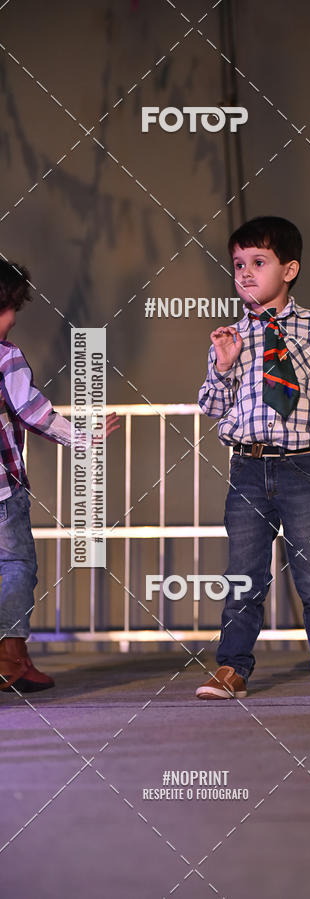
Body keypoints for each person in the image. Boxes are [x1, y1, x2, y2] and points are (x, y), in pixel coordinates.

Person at [195, 216, 310, 700]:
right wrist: (222, 366)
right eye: (238, 264)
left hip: (303, 466)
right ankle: (232, 668)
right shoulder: (230, 336)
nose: (245, 273)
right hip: (248, 469)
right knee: (244, 577)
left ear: (289, 270)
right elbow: (211, 406)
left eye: (258, 262)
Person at [0, 260, 119, 693]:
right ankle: (8, 659)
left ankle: (16, 660)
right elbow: (31, 411)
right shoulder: (5, 355)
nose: (13, 319)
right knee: (16, 567)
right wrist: (83, 438)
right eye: (10, 309)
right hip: (2, 489)